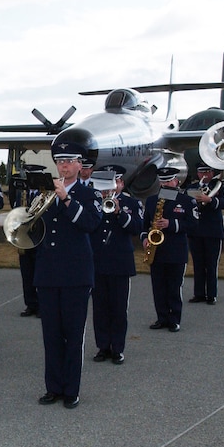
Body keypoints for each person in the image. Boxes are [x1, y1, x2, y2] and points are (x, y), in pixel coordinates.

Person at [34, 142, 102, 409]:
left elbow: (90, 224)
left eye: (69, 161)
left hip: (75, 274)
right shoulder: (45, 192)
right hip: (48, 272)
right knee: (50, 335)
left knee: (73, 336)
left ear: (79, 165)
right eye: (60, 161)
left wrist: (66, 199)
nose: (63, 166)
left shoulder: (88, 194)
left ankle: (71, 390)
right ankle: (53, 387)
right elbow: (34, 225)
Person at [89, 165, 143, 365]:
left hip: (120, 262)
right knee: (100, 308)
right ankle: (103, 346)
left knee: (119, 309)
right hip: (98, 261)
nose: (109, 189)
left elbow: (137, 228)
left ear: (120, 183)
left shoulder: (132, 203)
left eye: (114, 183)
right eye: (105, 185)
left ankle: (118, 348)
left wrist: (120, 213)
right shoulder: (93, 202)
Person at [142, 167, 199, 333]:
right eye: (163, 181)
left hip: (176, 251)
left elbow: (194, 225)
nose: (165, 184)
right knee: (158, 287)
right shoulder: (152, 200)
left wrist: (171, 224)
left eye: (168, 181)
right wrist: (145, 238)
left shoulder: (187, 201)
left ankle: (174, 319)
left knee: (174, 287)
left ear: (176, 181)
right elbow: (145, 224)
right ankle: (162, 317)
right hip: (157, 251)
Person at [186, 163, 224, 305]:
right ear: (197, 173)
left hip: (213, 231)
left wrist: (210, 200)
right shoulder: (192, 187)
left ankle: (211, 295)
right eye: (201, 172)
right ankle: (199, 294)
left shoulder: (219, 186)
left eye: (207, 172)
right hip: (196, 231)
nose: (204, 175)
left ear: (212, 172)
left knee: (211, 264)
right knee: (198, 264)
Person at [14, 164, 46, 317]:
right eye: (28, 176)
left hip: (39, 238)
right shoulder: (22, 194)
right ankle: (30, 304)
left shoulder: (45, 194)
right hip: (24, 238)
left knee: (40, 274)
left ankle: (42, 305)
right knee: (26, 273)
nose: (30, 180)